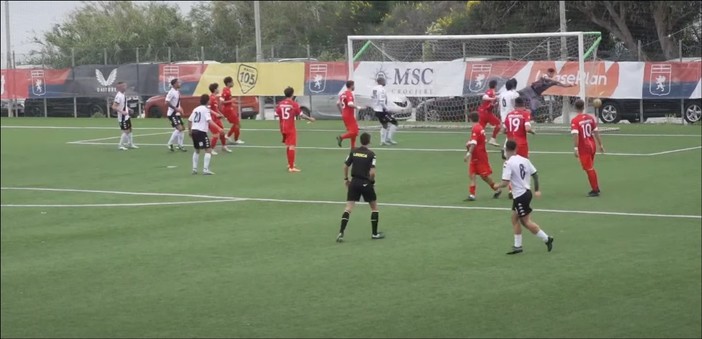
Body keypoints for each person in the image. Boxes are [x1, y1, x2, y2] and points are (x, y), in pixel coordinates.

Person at [493, 140, 553, 255]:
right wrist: (537, 190)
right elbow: (535, 174)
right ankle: (517, 246)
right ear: (516, 148)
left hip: (520, 196)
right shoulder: (525, 160)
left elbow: (505, 183)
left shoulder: (508, 163)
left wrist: (497, 185)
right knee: (515, 219)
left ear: (506, 149)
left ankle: (547, 239)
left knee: (526, 222)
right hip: (525, 193)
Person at [337, 132, 385, 242]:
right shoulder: (371, 154)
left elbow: (345, 166)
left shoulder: (353, 151)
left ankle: (341, 232)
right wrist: (372, 182)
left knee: (348, 208)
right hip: (365, 182)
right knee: (374, 208)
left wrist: (346, 179)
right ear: (369, 141)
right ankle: (374, 234)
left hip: (354, 182)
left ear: (360, 141)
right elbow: (372, 173)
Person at [275, 87, 316, 172]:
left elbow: (276, 114)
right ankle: (291, 167)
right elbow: (301, 115)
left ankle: (290, 163)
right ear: (292, 94)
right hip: (290, 127)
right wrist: (310, 119)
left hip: (282, 127)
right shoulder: (293, 104)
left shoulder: (280, 104)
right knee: (292, 146)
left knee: (288, 145)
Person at [570, 98, 605, 197]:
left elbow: (576, 135)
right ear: (584, 107)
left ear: (575, 108)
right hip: (592, 145)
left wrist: (576, 148)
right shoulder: (590, 118)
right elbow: (596, 132)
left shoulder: (575, 121)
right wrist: (600, 145)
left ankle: (595, 189)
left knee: (589, 168)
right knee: (590, 167)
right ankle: (595, 187)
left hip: (584, 147)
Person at [464, 112, 502, 201]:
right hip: (476, 155)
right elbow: (481, 140)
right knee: (472, 175)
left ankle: (497, 189)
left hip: (480, 156)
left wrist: (468, 153)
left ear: (470, 119)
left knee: (484, 176)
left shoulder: (476, 128)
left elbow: (474, 143)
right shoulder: (479, 127)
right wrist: (469, 144)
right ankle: (472, 195)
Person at [188, 94, 217, 175]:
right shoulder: (206, 109)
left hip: (194, 131)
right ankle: (205, 169)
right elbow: (209, 121)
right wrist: (219, 128)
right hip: (201, 132)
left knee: (197, 150)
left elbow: (189, 120)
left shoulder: (196, 109)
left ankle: (194, 169)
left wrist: (189, 131)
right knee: (208, 150)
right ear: (208, 101)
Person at [372, 77, 398, 146]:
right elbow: (382, 101)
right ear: (381, 81)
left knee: (385, 125)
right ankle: (388, 138)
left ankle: (383, 141)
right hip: (382, 110)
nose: (385, 82)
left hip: (377, 110)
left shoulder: (374, 88)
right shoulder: (382, 89)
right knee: (394, 123)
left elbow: (373, 97)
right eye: (384, 81)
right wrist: (387, 108)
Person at [207, 82, 232, 155]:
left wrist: (221, 115)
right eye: (218, 88)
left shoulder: (215, 97)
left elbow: (215, 108)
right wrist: (216, 114)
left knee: (222, 132)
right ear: (215, 89)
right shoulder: (211, 98)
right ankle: (211, 149)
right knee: (216, 134)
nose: (219, 89)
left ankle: (224, 146)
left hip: (217, 119)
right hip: (212, 119)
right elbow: (208, 109)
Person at [112, 81, 137, 150]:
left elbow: (123, 105)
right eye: (123, 86)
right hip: (122, 117)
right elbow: (114, 107)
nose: (125, 87)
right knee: (126, 130)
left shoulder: (123, 94)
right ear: (119, 88)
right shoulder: (118, 96)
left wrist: (128, 109)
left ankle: (130, 144)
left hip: (126, 116)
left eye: (125, 86)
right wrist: (122, 112)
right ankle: (120, 145)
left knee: (130, 129)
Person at [336, 80, 359, 149]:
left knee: (352, 131)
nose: (354, 87)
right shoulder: (349, 93)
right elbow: (350, 104)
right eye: (354, 85)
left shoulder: (343, 94)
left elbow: (337, 103)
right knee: (355, 132)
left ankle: (353, 147)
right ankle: (341, 137)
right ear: (351, 86)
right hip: (349, 115)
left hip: (345, 115)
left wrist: (342, 112)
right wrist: (358, 107)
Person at [477, 80, 501, 147]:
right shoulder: (490, 91)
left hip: (485, 112)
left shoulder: (493, 92)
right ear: (495, 85)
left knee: (480, 129)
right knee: (499, 124)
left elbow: (490, 103)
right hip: (485, 113)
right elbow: (484, 97)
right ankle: (492, 139)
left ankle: (475, 141)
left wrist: (494, 102)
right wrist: (492, 99)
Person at [165, 78, 187, 152]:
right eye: (178, 83)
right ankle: (170, 143)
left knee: (183, 128)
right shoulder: (171, 92)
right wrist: (175, 109)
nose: (179, 84)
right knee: (179, 128)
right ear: (174, 84)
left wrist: (181, 109)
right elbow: (166, 102)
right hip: (172, 114)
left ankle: (180, 145)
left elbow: (177, 103)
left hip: (177, 113)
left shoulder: (177, 91)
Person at [222, 76, 245, 145]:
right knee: (237, 123)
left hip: (230, 109)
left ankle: (230, 137)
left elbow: (228, 101)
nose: (233, 83)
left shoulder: (228, 90)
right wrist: (231, 100)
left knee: (237, 124)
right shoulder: (225, 91)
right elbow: (222, 102)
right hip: (227, 110)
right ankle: (234, 138)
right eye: (232, 82)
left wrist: (236, 102)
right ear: (228, 83)